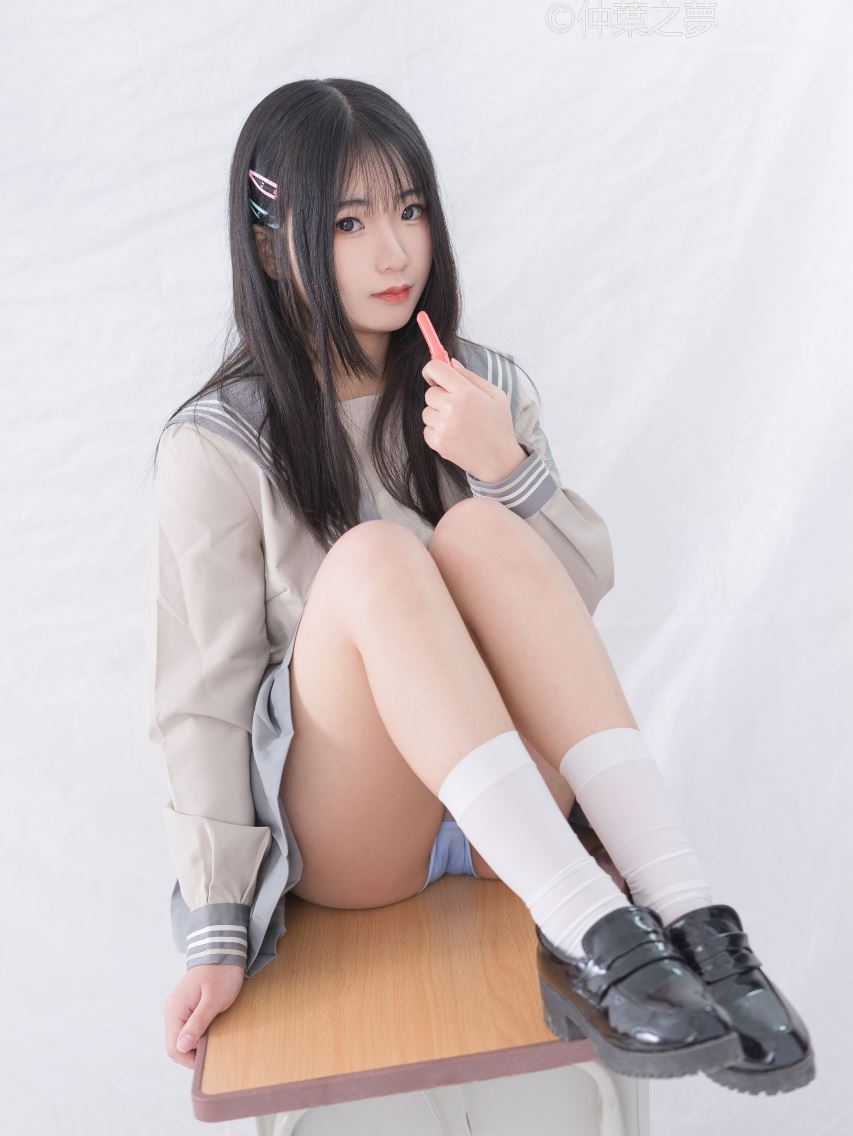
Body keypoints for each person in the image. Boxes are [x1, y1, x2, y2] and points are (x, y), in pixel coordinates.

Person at [145, 78, 814, 1093]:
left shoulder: (481, 387)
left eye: (410, 210)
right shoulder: (219, 444)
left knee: (477, 528)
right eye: (349, 222)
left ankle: (694, 920)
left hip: (521, 803)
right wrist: (216, 932)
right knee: (375, 558)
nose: (393, 252)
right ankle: (593, 930)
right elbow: (200, 700)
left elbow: (572, 612)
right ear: (273, 245)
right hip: (359, 835)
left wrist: (506, 467)